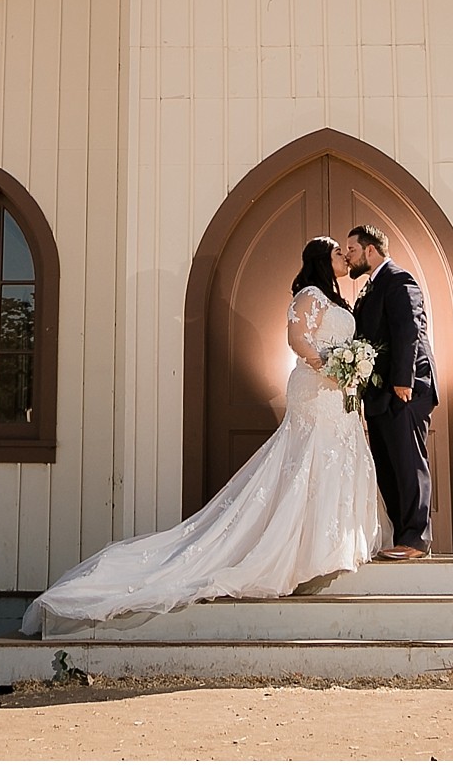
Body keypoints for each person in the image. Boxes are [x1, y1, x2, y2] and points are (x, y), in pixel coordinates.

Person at [20, 236, 386, 632]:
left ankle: (328, 547)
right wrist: (333, 367)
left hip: (339, 399)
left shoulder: (336, 299)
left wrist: (352, 369)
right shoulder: (309, 295)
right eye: (336, 252)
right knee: (308, 464)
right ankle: (301, 551)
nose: (343, 257)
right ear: (319, 260)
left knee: (330, 463)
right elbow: (297, 341)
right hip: (318, 391)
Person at [345, 222, 436, 559]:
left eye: (352, 250)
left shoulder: (400, 280)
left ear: (371, 250)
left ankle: (416, 540)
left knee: (409, 462)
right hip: (380, 394)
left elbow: (409, 330)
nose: (349, 257)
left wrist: (403, 380)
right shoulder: (370, 287)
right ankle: (402, 536)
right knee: (387, 464)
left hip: (405, 390)